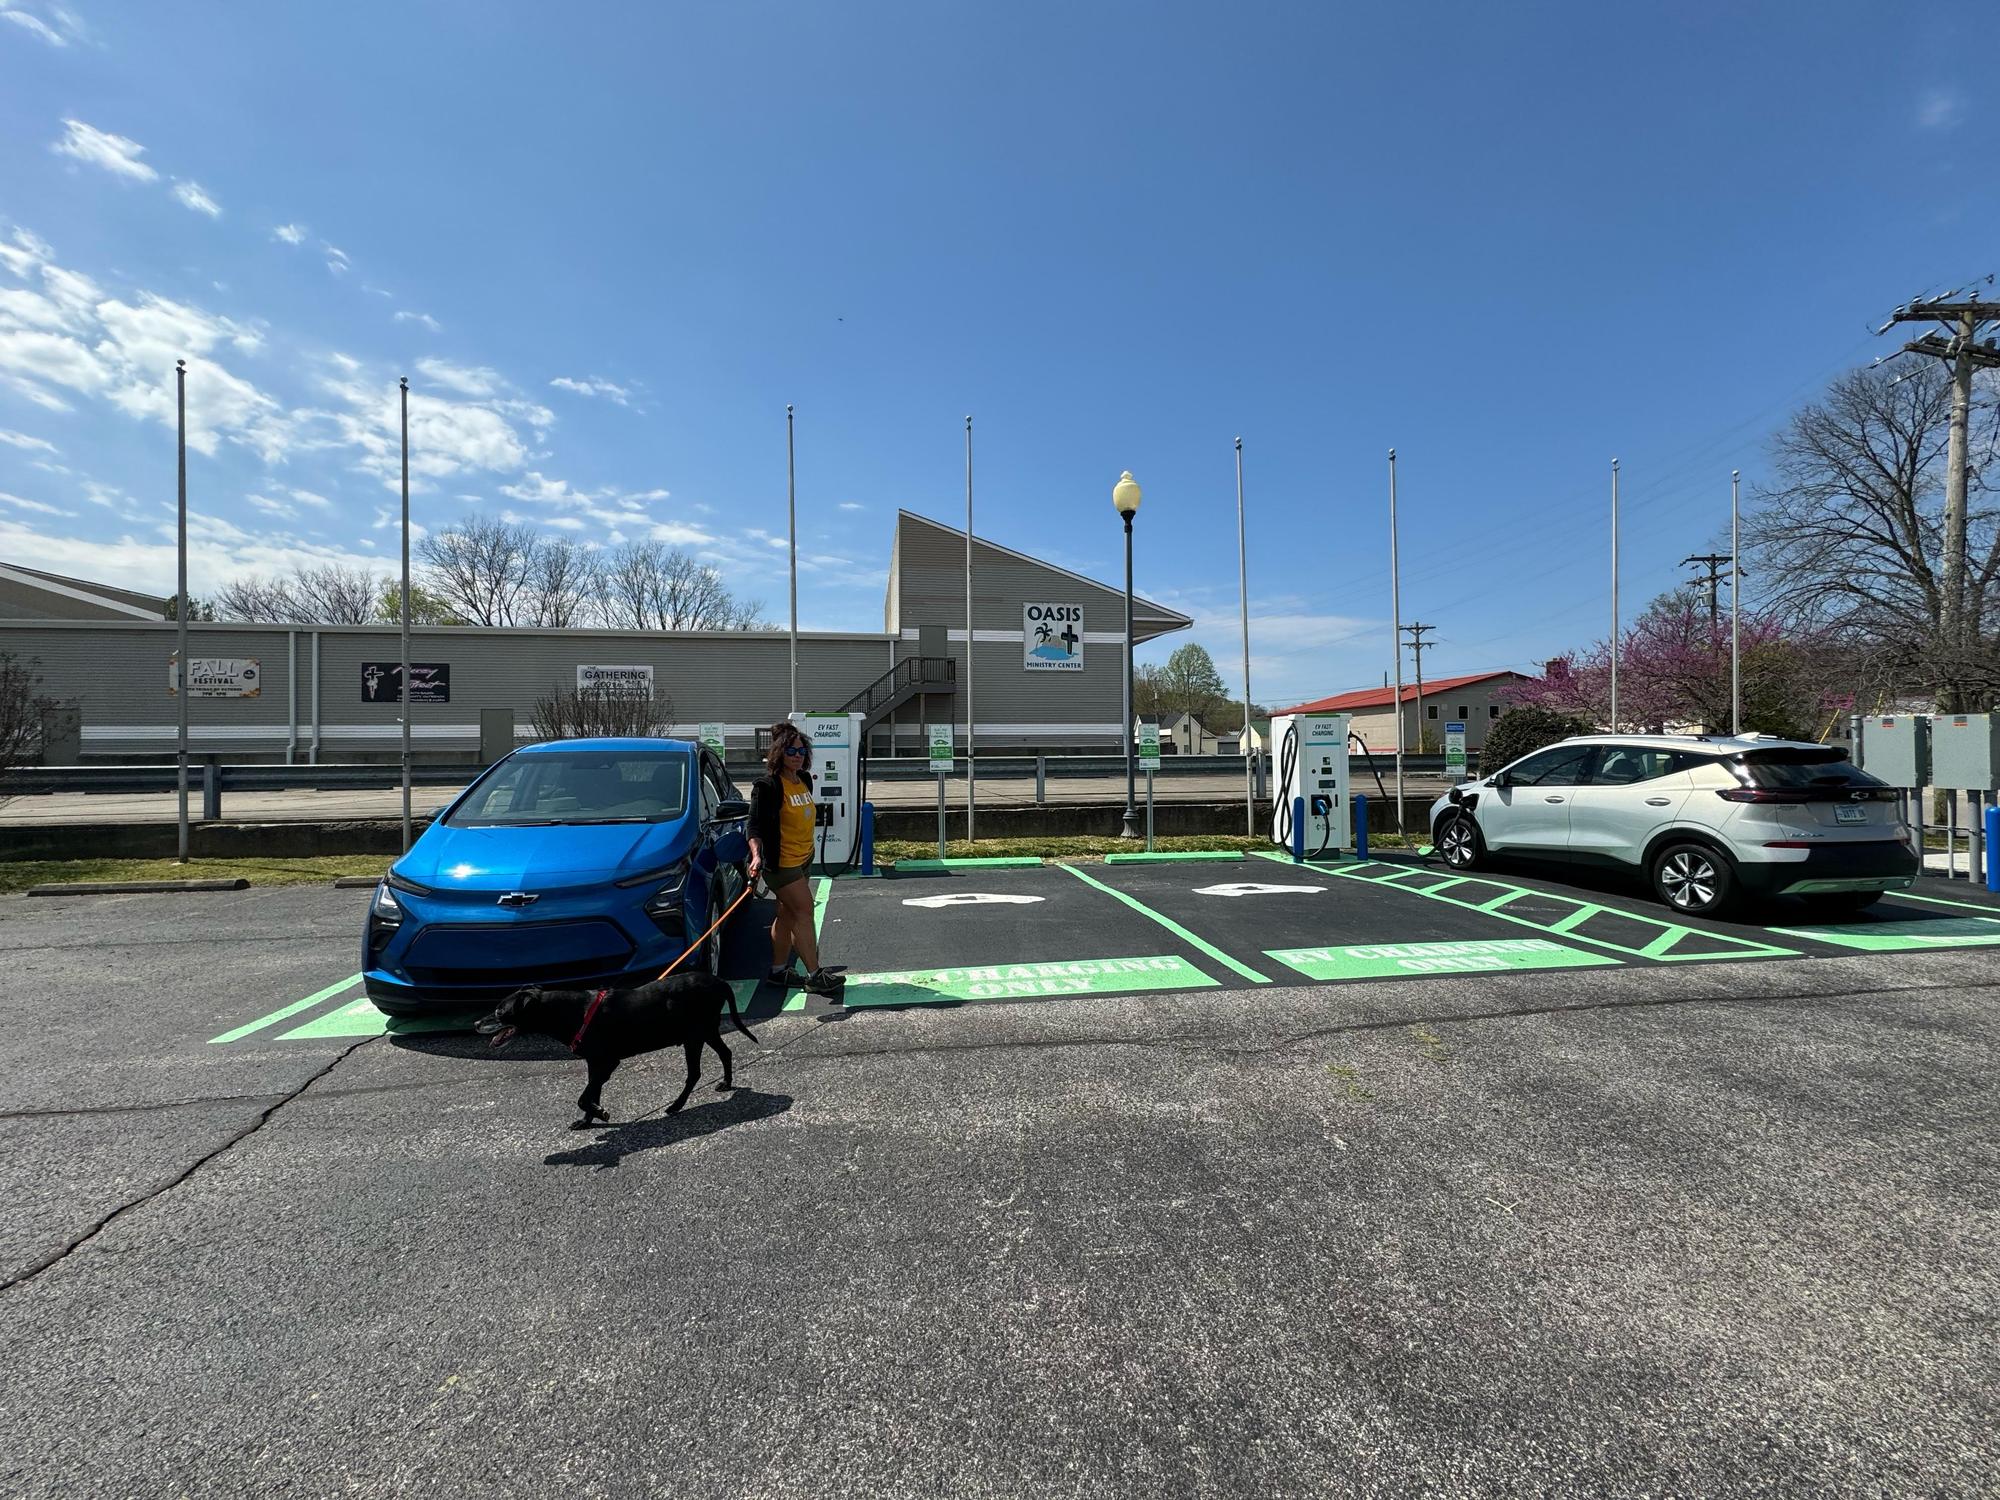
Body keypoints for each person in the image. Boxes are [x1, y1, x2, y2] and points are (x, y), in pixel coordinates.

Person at [748, 722, 843, 999]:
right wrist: (755, 855)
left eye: (801, 751)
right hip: (782, 864)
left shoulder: (803, 780)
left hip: (803, 860)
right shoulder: (767, 786)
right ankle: (814, 976)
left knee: (787, 914)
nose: (797, 755)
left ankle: (779, 971)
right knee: (804, 911)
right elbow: (753, 827)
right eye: (791, 750)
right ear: (779, 752)